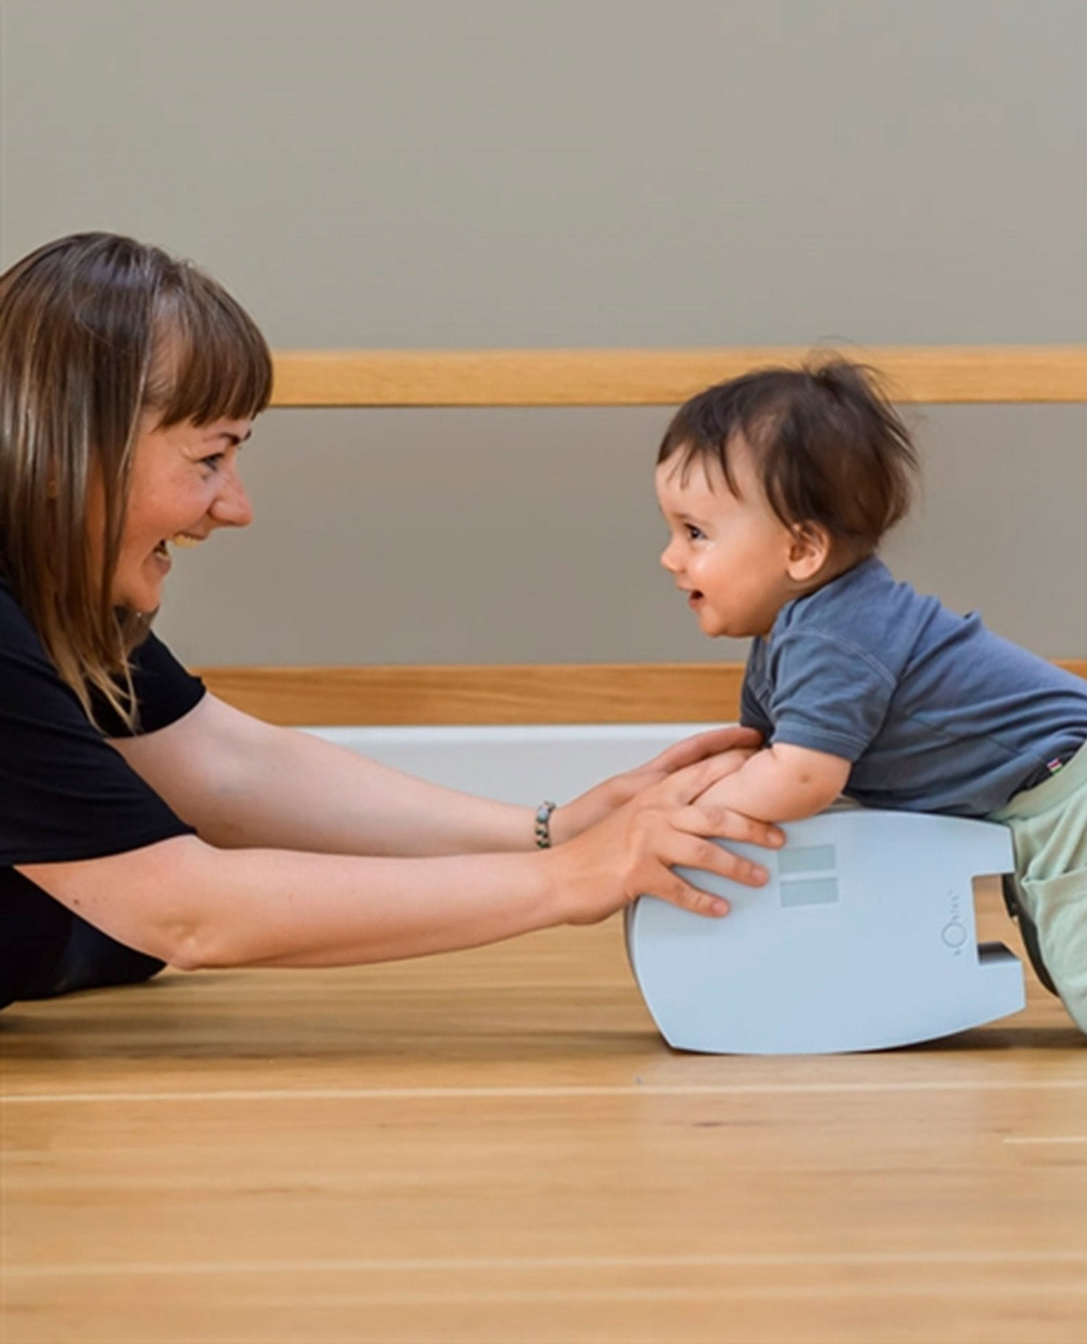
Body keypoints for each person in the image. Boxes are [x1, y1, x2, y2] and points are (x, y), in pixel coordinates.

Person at [0, 231, 780, 1013]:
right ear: (75, 453)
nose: (236, 507)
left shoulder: (51, 584)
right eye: (210, 458)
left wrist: (555, 830)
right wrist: (573, 876)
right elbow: (183, 910)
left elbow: (225, 769)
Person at [652, 358, 1087, 1052]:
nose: (670, 557)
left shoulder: (833, 637)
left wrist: (692, 812)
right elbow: (765, 752)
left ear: (802, 548)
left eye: (695, 533)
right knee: (1071, 960)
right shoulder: (798, 630)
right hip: (1086, 789)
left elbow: (802, 777)